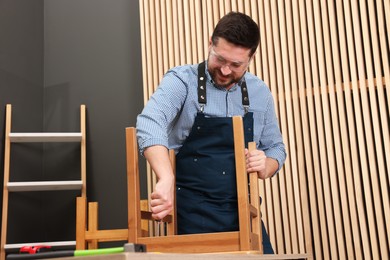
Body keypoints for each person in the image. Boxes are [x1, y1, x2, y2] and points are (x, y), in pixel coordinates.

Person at [136, 11, 286, 253]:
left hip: (244, 216)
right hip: (192, 214)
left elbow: (276, 149)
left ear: (251, 58)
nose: (226, 71)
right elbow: (149, 123)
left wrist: (265, 164)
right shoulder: (182, 81)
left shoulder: (260, 93)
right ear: (210, 43)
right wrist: (165, 177)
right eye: (220, 59)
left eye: (236, 65)